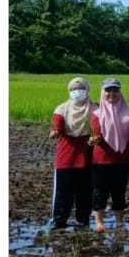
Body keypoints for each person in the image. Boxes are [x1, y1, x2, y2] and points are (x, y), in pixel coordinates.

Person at [90, 77, 129, 233]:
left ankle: (119, 221)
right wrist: (95, 140)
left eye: (115, 90)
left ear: (120, 91)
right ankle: (99, 222)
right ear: (103, 92)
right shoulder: (97, 113)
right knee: (100, 191)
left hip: (123, 158)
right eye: (108, 90)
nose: (112, 94)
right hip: (102, 159)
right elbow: (97, 133)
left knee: (119, 191)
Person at [50, 76, 93, 230]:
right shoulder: (61, 109)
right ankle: (59, 221)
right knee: (63, 192)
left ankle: (83, 220)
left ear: (87, 89)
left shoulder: (95, 109)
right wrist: (55, 131)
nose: (77, 92)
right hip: (66, 156)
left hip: (88, 155)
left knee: (85, 191)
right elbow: (57, 126)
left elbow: (102, 127)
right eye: (73, 89)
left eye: (80, 88)